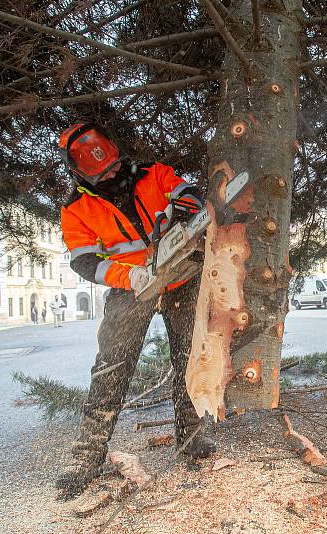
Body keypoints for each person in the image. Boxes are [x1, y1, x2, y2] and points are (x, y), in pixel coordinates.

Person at [55, 123, 212, 497]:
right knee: (112, 368)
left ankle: (192, 441)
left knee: (191, 359)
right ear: (79, 172)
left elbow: (188, 191)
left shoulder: (154, 175)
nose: (110, 174)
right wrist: (130, 277)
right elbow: (84, 262)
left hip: (181, 277)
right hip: (130, 289)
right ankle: (87, 457)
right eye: (101, 172)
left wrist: (184, 208)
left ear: (116, 152)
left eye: (111, 166)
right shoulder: (76, 209)